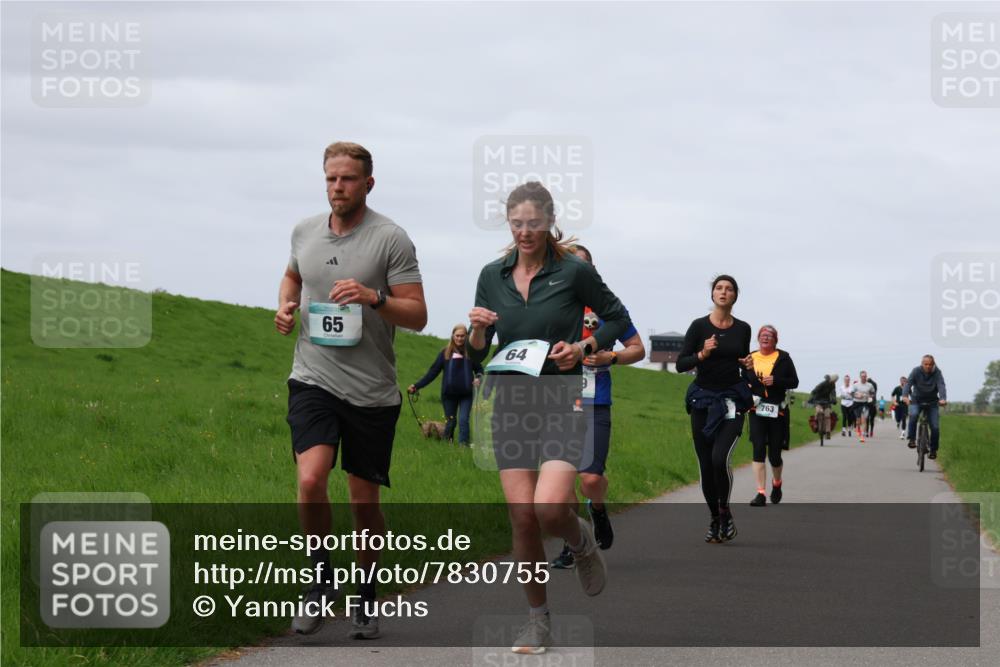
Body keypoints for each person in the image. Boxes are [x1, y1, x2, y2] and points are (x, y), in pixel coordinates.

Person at [468, 182, 629, 654]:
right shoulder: (491, 275)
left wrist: (582, 347)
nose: (524, 232)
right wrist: (477, 331)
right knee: (522, 518)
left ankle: (579, 539)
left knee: (550, 509)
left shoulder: (573, 272)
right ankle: (538, 620)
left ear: (549, 222)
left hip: (562, 399)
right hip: (511, 404)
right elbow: (480, 355)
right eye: (516, 224)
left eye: (533, 224)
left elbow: (617, 319)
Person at [274, 142, 426, 640]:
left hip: (372, 392)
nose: (337, 187)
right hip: (313, 376)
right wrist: (286, 306)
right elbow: (294, 275)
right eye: (330, 179)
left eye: (347, 179)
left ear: (368, 184)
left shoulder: (390, 239)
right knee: (311, 479)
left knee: (364, 504)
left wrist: (372, 296)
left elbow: (418, 314)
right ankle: (320, 582)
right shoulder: (305, 231)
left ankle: (365, 595)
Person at [549, 244, 646, 570]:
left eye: (582, 267)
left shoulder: (606, 308)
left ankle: (599, 509)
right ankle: (572, 543)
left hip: (595, 404)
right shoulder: (549, 307)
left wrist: (611, 357)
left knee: (590, 479)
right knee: (561, 485)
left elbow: (638, 349)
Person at [676, 275, 753, 542]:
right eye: (719, 288)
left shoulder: (743, 329)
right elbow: (681, 364)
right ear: (712, 295)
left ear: (735, 297)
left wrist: (748, 365)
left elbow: (742, 361)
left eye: (729, 289)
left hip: (731, 399)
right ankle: (714, 518)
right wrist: (702, 354)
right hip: (703, 401)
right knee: (707, 465)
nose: (723, 292)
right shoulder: (698, 327)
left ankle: (725, 510)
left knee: (720, 459)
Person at [745, 325, 798, 506]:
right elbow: (743, 379)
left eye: (769, 336)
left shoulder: (783, 358)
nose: (765, 338)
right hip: (756, 410)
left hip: (777, 410)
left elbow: (794, 381)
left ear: (775, 340)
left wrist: (776, 381)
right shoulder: (750, 357)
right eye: (762, 335)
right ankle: (760, 493)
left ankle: (777, 483)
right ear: (758, 339)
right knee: (758, 449)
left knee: (774, 455)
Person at [408, 324, 483, 446]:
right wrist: (416, 386)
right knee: (451, 422)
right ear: (453, 336)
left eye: (462, 336)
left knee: (464, 421)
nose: (459, 338)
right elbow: (432, 373)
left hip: (466, 394)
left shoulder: (471, 353)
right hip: (449, 395)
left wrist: (479, 378)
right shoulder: (445, 353)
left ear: (467, 336)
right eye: (457, 336)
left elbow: (480, 369)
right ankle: (446, 445)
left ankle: (463, 447)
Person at [905, 355, 948, 458]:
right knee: (914, 415)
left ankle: (933, 450)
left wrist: (943, 398)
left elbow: (941, 385)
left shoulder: (937, 372)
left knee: (935, 427)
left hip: (932, 402)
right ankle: (912, 439)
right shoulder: (916, 371)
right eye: (926, 364)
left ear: (933, 364)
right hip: (917, 400)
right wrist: (905, 396)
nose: (928, 366)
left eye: (930, 364)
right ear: (922, 363)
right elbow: (908, 384)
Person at [809, 373, 839, 438]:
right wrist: (814, 394)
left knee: (828, 415)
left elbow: (833, 393)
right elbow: (816, 389)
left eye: (836, 380)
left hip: (827, 402)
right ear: (832, 379)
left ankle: (828, 432)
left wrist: (834, 399)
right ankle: (815, 424)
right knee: (818, 411)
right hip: (818, 401)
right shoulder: (823, 383)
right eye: (835, 380)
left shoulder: (833, 385)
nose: (835, 381)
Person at [852, 371, 876, 443]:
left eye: (865, 376)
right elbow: (852, 394)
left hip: (865, 403)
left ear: (866, 377)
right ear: (860, 377)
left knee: (864, 419)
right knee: (858, 420)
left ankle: (862, 435)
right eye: (862, 376)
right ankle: (858, 428)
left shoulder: (870, 385)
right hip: (857, 403)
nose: (864, 378)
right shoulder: (856, 385)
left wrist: (869, 396)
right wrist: (857, 396)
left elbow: (873, 394)